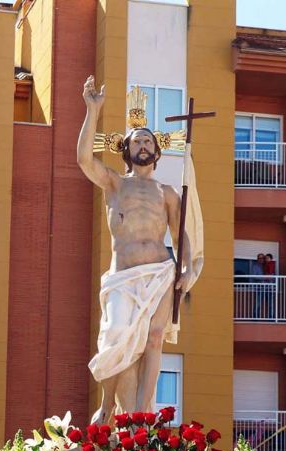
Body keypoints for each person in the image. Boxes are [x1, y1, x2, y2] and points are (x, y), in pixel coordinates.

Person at [77, 76, 194, 424]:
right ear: (126, 151)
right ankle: (107, 404)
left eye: (148, 141)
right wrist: (92, 111)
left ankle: (143, 413)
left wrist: (185, 268)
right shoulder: (114, 183)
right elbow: (84, 160)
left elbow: (180, 234)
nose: (142, 144)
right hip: (124, 274)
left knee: (154, 339)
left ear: (157, 153)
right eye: (136, 141)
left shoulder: (168, 193)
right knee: (114, 337)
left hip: (160, 272)